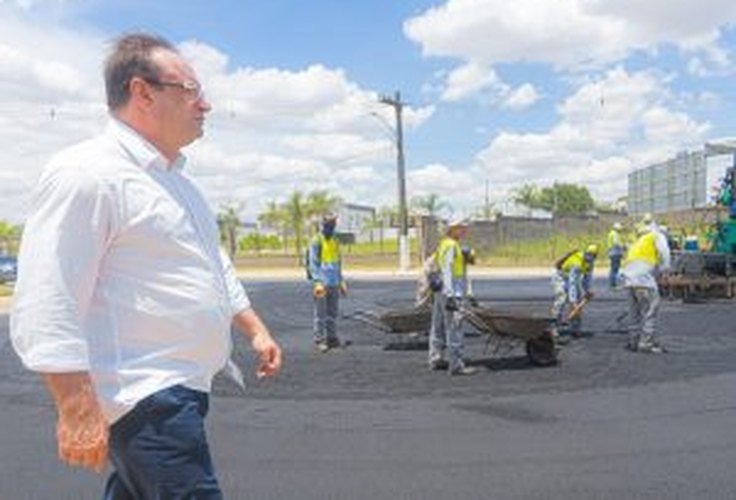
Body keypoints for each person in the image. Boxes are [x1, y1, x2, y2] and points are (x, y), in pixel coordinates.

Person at [10, 33, 282, 499]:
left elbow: (211, 262)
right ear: (143, 92)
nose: (206, 105)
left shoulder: (178, 185)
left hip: (183, 389)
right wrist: (75, 406)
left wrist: (254, 327)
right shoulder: (89, 173)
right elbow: (46, 291)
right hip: (145, 393)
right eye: (191, 89)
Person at [428, 219, 477, 375]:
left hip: (441, 290)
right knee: (454, 327)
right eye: (462, 228)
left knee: (438, 325)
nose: (465, 230)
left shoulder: (445, 243)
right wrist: (450, 295)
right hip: (450, 291)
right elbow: (448, 270)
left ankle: (436, 358)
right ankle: (456, 365)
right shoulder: (450, 246)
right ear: (453, 229)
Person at [620, 224, 671, 353]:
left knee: (634, 312)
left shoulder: (639, 241)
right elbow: (664, 252)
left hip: (629, 280)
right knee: (650, 311)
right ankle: (646, 343)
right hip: (644, 280)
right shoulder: (657, 236)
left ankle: (634, 341)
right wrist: (665, 271)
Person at [308, 213, 347, 353]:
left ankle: (331, 337)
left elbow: (338, 262)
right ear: (323, 225)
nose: (331, 228)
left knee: (333, 313)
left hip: (334, 282)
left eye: (333, 225)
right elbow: (313, 264)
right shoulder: (316, 240)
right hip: (322, 284)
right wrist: (317, 282)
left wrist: (341, 280)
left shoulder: (335, 240)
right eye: (329, 225)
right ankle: (319, 339)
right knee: (320, 314)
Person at [551, 244, 598, 339]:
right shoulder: (577, 262)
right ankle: (554, 328)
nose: (591, 257)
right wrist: (573, 302)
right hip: (560, 277)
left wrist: (588, 291)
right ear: (586, 253)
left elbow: (587, 279)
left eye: (593, 256)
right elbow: (572, 283)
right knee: (561, 299)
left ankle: (575, 328)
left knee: (578, 299)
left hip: (570, 277)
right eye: (589, 255)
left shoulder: (590, 263)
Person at [607, 222, 625, 289]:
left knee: (613, 269)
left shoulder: (611, 233)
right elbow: (616, 243)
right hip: (615, 253)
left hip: (612, 253)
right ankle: (613, 284)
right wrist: (623, 247)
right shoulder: (615, 234)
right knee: (615, 269)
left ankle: (612, 284)